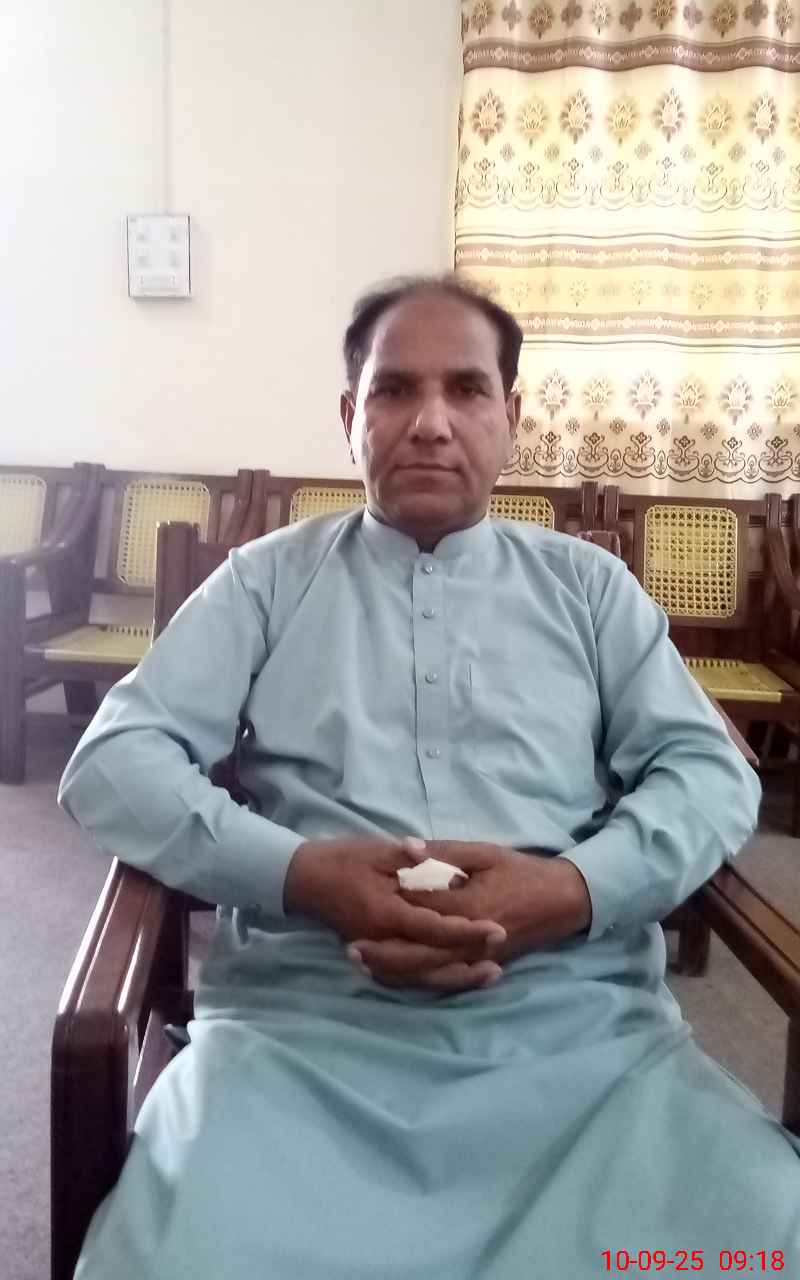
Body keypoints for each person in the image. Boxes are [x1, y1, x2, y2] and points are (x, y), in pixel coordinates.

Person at [59, 275, 798, 1279]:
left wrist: (571, 889)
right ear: (349, 418)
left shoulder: (589, 589)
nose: (431, 423)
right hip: (299, 1033)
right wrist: (303, 874)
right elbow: (113, 762)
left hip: (580, 1040)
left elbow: (708, 772)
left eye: (466, 389)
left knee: (757, 1235)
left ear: (511, 418)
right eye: (394, 390)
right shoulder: (264, 581)